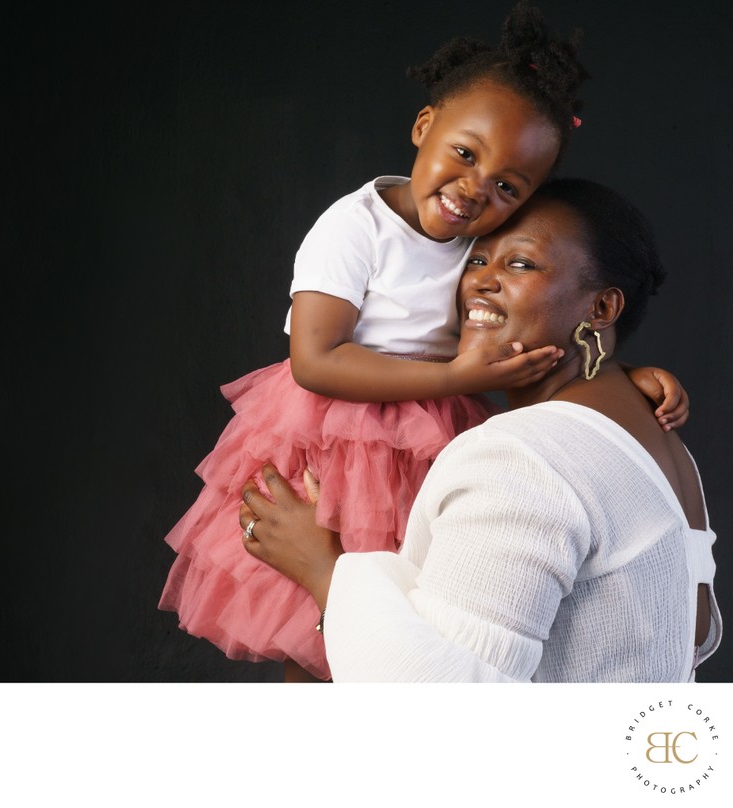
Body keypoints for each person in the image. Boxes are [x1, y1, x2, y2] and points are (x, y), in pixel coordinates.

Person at [158, 2, 686, 682]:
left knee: (408, 610)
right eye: (464, 156)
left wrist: (625, 374)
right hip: (341, 431)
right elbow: (315, 361)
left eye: (506, 186)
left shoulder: (475, 240)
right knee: (315, 639)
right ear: (423, 125)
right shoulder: (356, 227)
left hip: (429, 433)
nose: (474, 189)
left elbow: (530, 336)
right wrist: (456, 378)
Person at [239, 177, 722, 682]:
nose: (480, 282)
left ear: (601, 308)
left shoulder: (520, 457)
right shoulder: (652, 435)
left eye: (520, 263)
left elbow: (443, 703)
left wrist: (324, 572)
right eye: (474, 258)